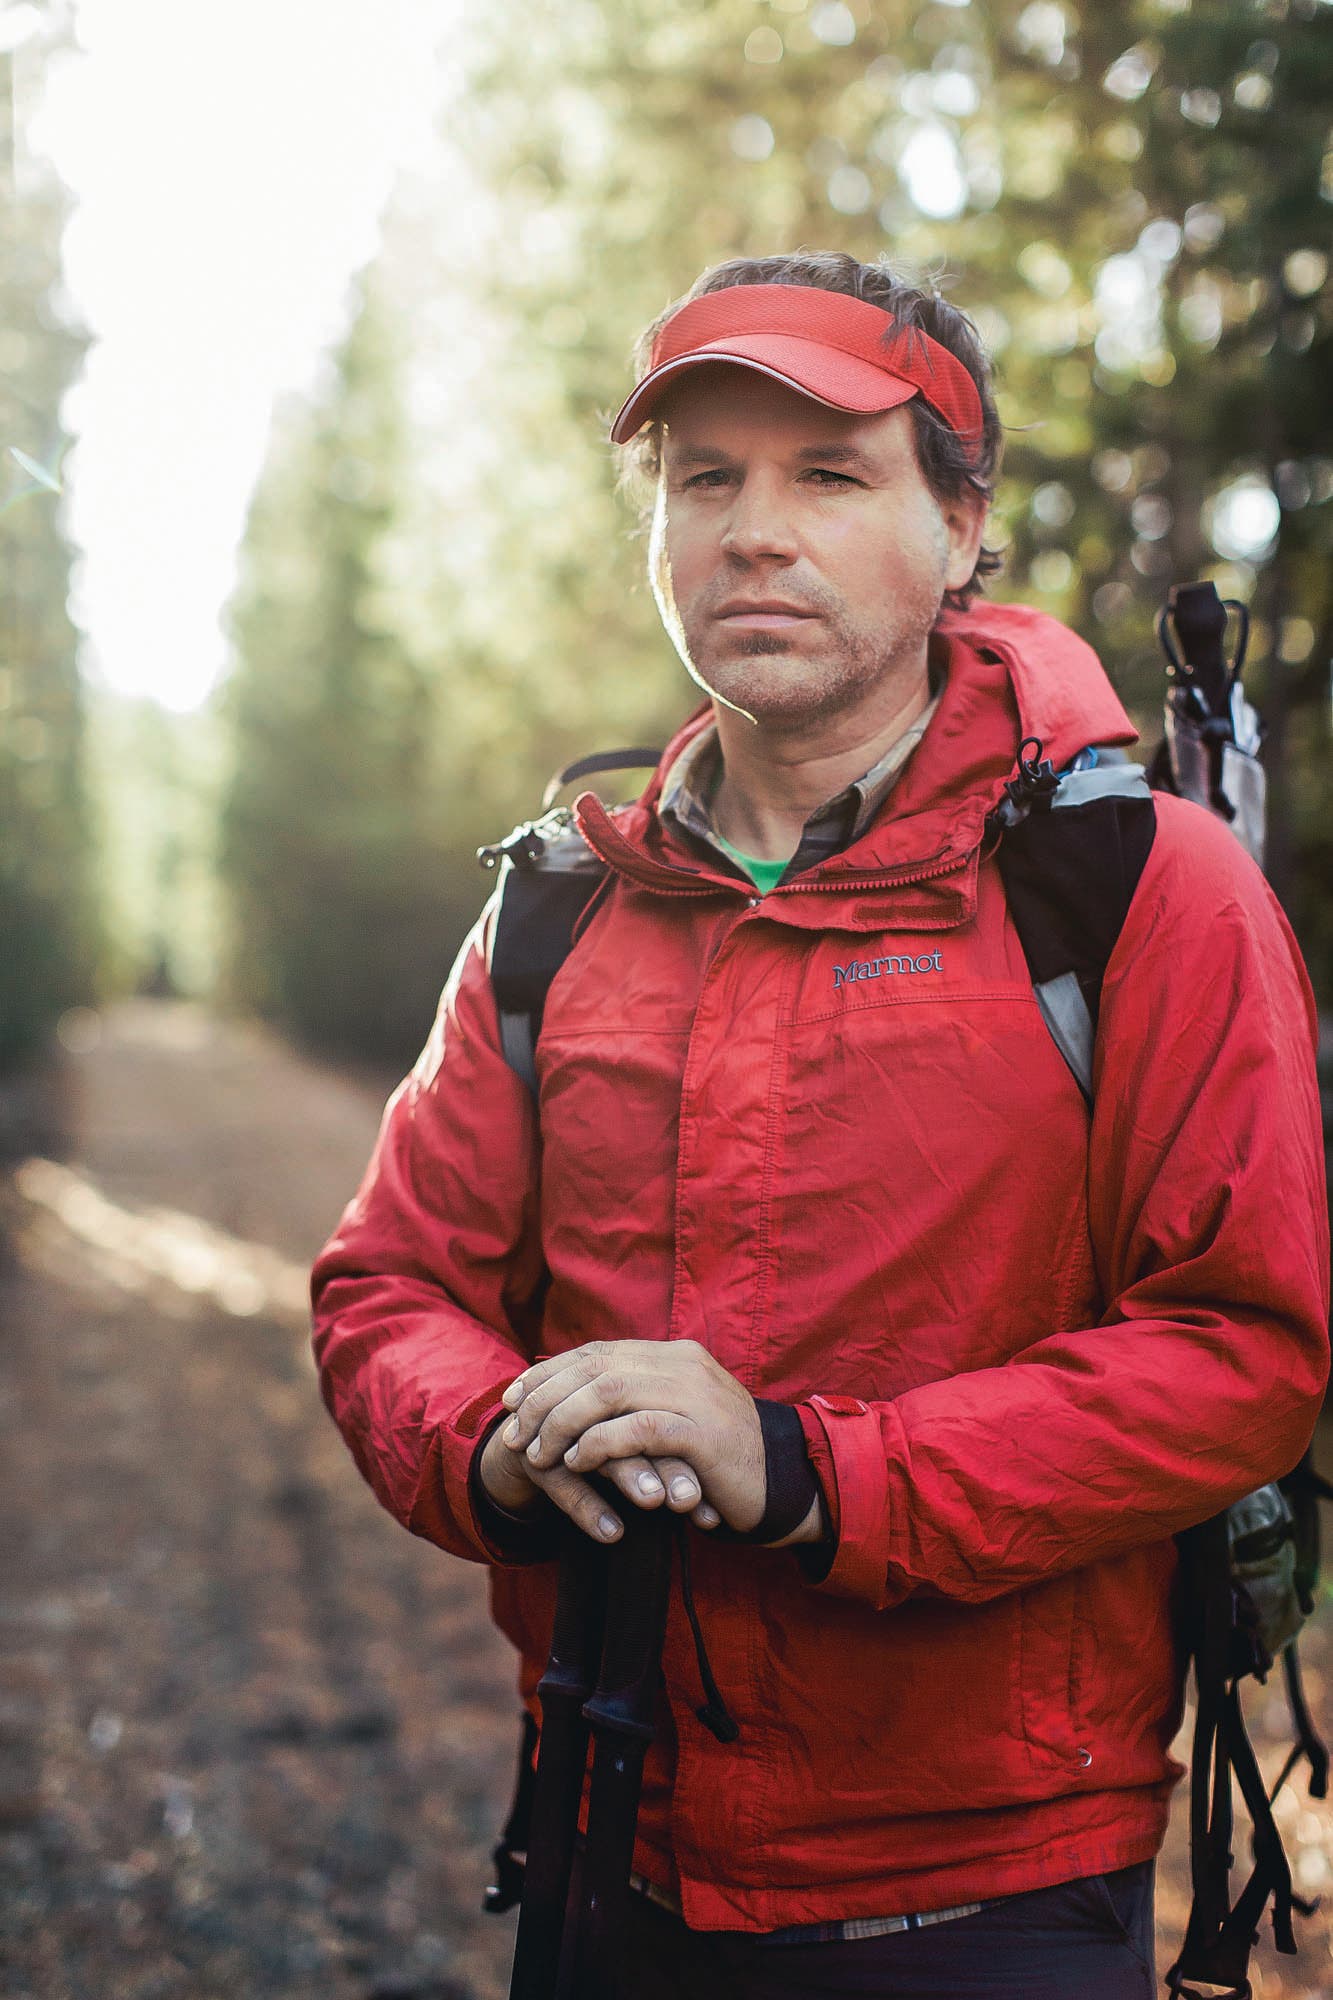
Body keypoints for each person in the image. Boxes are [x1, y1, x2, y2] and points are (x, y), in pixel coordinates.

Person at [310, 252, 1330, 1999]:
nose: (748, 532)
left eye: (828, 474)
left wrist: (804, 1471)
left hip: (987, 1894)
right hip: (602, 1820)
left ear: (958, 528)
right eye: (702, 477)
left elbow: (1240, 1352)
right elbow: (387, 1286)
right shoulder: (558, 904)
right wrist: (493, 1442)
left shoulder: (1137, 887)